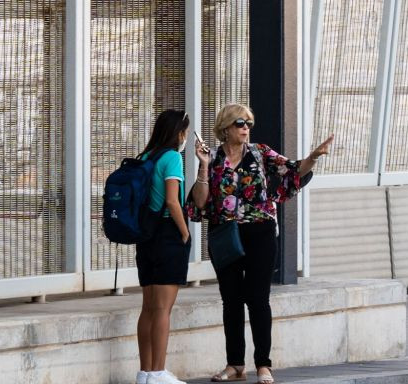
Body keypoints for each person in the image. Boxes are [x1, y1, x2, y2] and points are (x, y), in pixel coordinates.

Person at [186, 103, 333, 384]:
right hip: (225, 234)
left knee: (257, 299)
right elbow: (201, 201)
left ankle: (263, 365)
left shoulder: (260, 153)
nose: (246, 129)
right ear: (226, 128)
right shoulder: (213, 157)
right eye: (241, 123)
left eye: (249, 124)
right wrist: (203, 167)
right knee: (231, 300)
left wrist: (313, 157)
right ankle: (235, 364)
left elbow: (294, 168)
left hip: (261, 232)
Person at [134, 109, 193, 384]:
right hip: (167, 234)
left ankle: (145, 372)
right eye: (185, 131)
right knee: (163, 309)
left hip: (146, 236)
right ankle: (158, 372)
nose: (185, 137)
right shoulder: (171, 158)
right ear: (178, 133)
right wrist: (185, 232)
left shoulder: (146, 156)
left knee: (148, 307)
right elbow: (173, 201)